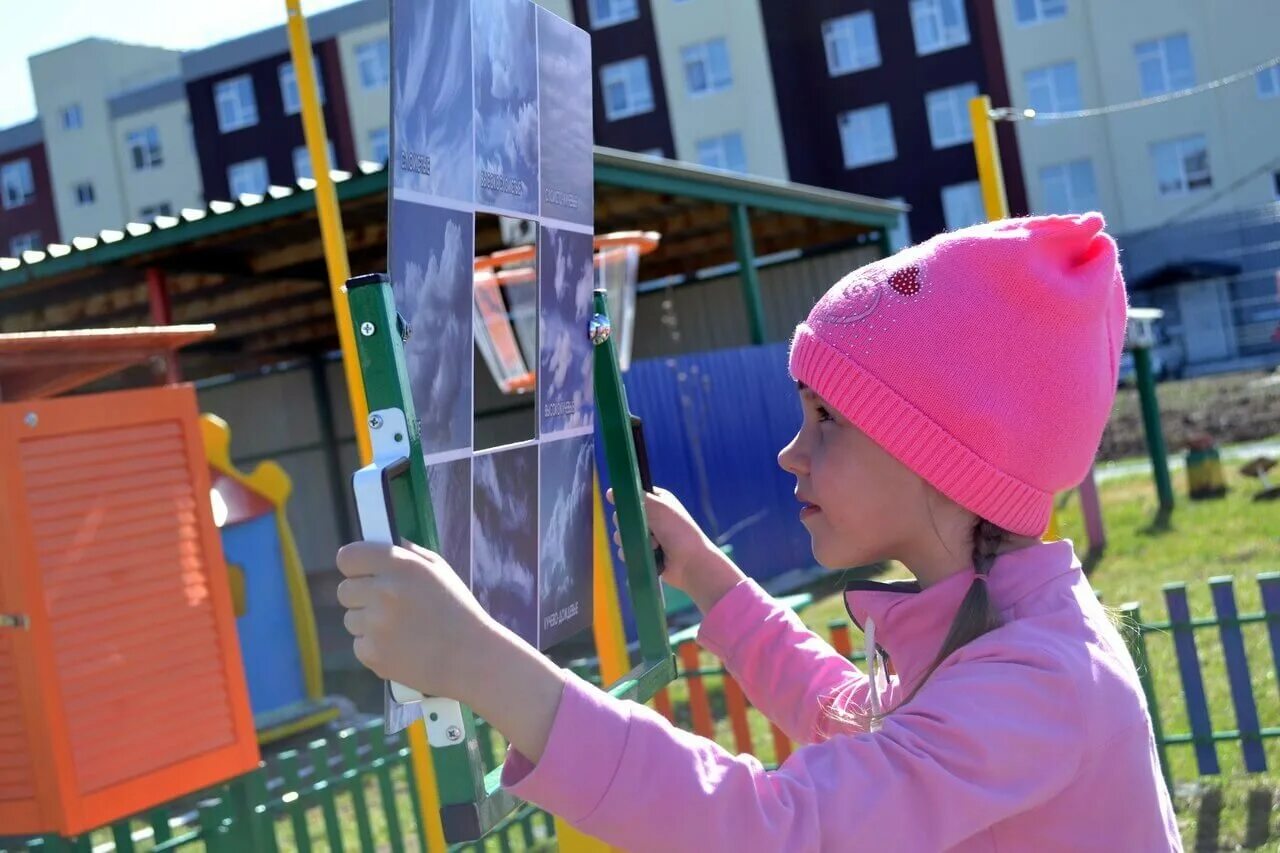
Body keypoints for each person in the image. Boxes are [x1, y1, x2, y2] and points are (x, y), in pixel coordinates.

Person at [335, 214, 1182, 851]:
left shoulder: (1038, 680)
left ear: (941, 453)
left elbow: (782, 828)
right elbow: (849, 717)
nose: (792, 452)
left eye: (827, 421)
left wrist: (479, 663)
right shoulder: (994, 632)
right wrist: (709, 578)